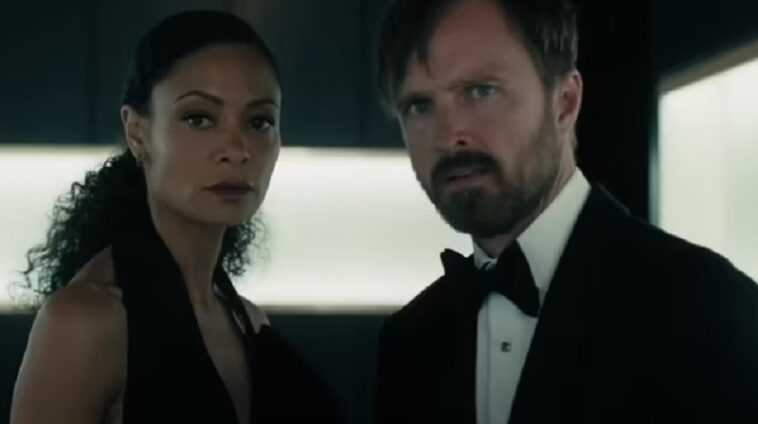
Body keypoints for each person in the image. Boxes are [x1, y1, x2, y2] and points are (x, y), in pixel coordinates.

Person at [374, 0, 758, 423]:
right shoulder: (408, 341)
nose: (450, 136)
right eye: (419, 106)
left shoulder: (705, 306)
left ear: (565, 102)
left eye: (481, 91)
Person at [11, 10, 341, 424]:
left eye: (259, 121)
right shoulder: (87, 320)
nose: (236, 149)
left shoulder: (249, 321)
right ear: (138, 132)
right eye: (199, 118)